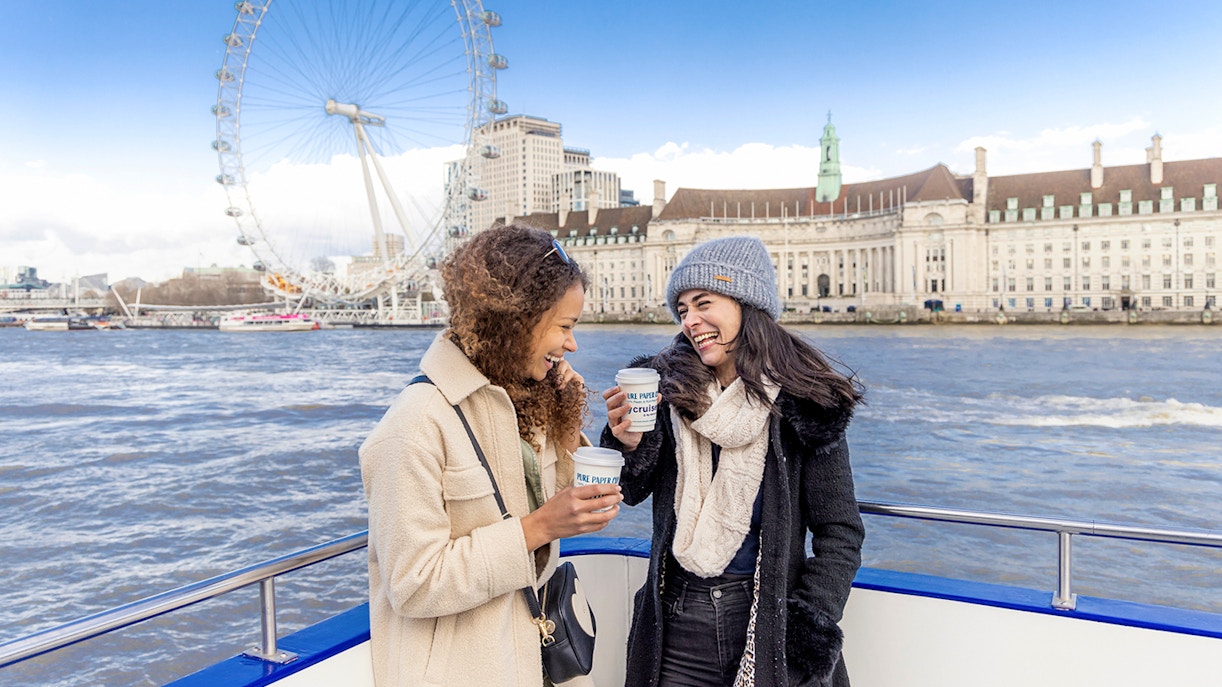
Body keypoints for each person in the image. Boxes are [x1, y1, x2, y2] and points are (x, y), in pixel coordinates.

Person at [360, 224, 623, 687]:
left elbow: (553, 508)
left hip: (527, 660)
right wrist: (539, 527)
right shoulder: (414, 425)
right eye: (564, 326)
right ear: (516, 319)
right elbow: (412, 584)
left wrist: (570, 420)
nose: (572, 344)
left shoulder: (523, 399)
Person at [601, 236, 864, 687]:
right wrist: (625, 442)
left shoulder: (807, 402)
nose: (691, 321)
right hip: (676, 620)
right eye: (682, 309)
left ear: (747, 303)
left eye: (704, 303)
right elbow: (629, 491)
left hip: (767, 624)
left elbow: (840, 530)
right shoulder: (667, 388)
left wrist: (806, 627)